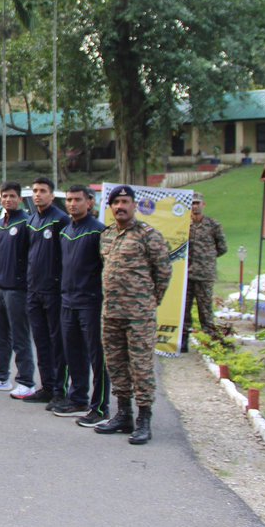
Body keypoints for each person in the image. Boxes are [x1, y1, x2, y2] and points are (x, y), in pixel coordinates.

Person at [95, 184, 172, 445]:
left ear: (134, 205)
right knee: (115, 365)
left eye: (125, 202)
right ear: (110, 206)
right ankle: (124, 414)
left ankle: (144, 419)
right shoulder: (106, 236)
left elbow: (163, 273)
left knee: (141, 367)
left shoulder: (148, 235)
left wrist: (149, 303)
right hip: (111, 313)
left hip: (139, 316)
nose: (120, 206)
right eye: (116, 202)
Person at [0, 182, 37, 396]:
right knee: (0, 336)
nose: (8, 199)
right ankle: (1, 377)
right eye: (4, 196)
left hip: (17, 289)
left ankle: (26, 381)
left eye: (12, 196)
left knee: (20, 337)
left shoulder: (27, 223)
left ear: (20, 199)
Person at [56, 185, 108, 426]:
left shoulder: (99, 231)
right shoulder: (65, 231)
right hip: (67, 301)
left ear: (90, 203)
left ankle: (100, 407)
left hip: (91, 302)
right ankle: (78, 398)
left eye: (77, 199)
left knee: (97, 356)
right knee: (73, 352)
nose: (72, 204)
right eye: (68, 199)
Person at [25, 176, 69, 407]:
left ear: (51, 195)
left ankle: (61, 390)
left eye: (42, 191)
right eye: (35, 190)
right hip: (34, 290)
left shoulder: (60, 220)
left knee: (57, 342)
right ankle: (47, 386)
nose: (38, 194)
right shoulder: (32, 220)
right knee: (40, 341)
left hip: (54, 291)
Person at [183, 192, 227, 351]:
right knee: (184, 311)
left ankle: (210, 343)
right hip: (186, 275)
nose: (195, 206)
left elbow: (222, 248)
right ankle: (182, 343)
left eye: (198, 203)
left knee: (205, 311)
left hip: (204, 275)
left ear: (203, 205)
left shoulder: (213, 225)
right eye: (192, 203)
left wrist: (207, 258)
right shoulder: (182, 225)